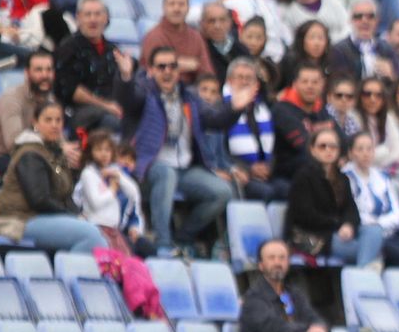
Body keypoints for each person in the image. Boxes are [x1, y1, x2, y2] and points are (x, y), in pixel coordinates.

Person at [123, 45, 238, 257]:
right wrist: (126, 76)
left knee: (223, 192)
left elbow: (215, 119)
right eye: (161, 67)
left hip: (184, 167)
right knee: (166, 174)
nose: (167, 71)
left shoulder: (189, 96)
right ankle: (163, 242)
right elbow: (129, 99)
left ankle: (184, 237)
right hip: (149, 168)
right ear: (152, 70)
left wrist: (235, 107)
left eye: (172, 66)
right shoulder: (145, 92)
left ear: (178, 70)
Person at [0, 100, 109, 251]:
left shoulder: (55, 154)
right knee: (90, 235)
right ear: (35, 122)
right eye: (48, 120)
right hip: (20, 219)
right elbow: (39, 200)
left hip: (43, 217)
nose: (54, 125)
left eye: (58, 120)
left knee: (99, 236)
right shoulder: (29, 153)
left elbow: (65, 197)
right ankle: (69, 273)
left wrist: (80, 215)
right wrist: (72, 216)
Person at [236, 239, 346, 332]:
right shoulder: (253, 299)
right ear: (261, 265)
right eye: (271, 258)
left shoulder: (294, 293)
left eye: (282, 258)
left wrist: (319, 329)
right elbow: (275, 328)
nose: (277, 262)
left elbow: (313, 317)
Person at [287, 126, 384, 267]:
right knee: (372, 251)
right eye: (322, 146)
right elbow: (305, 215)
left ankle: (361, 273)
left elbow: (352, 211)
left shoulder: (342, 178)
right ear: (313, 150)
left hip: (339, 234)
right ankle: (363, 274)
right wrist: (339, 225)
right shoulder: (303, 177)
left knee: (374, 230)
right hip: (313, 237)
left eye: (333, 146)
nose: (328, 150)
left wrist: (349, 225)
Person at [342, 131, 399, 267]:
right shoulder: (345, 177)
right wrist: (376, 227)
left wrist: (381, 224)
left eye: (369, 149)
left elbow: (397, 212)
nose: (365, 153)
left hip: (389, 232)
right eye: (360, 149)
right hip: (364, 236)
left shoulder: (381, 176)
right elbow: (353, 214)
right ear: (350, 153)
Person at [54, 0, 133, 135]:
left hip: (110, 107)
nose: (93, 19)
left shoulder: (113, 50)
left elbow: (123, 87)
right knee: (112, 122)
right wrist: (106, 106)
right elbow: (72, 91)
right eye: (88, 14)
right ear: (78, 18)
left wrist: (126, 74)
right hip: (78, 112)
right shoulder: (68, 48)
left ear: (106, 18)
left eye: (97, 14)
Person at [0, 49, 65, 171]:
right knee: (39, 168)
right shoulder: (11, 99)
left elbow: (58, 137)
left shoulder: (51, 100)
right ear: (27, 73)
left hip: (34, 156)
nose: (45, 75)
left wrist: (65, 150)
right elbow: (15, 143)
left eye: (49, 70)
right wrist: (57, 149)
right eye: (38, 70)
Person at [75, 127, 149, 254]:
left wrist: (119, 176)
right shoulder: (88, 174)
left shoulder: (114, 172)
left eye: (107, 150)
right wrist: (112, 190)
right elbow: (96, 202)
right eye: (99, 150)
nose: (104, 154)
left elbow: (134, 193)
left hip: (113, 229)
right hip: (96, 228)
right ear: (90, 152)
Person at [221, 57, 283, 199]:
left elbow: (275, 147)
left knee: (288, 189)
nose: (244, 82)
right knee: (266, 192)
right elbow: (220, 151)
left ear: (256, 84)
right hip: (238, 172)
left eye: (249, 78)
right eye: (240, 77)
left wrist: (268, 168)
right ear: (229, 81)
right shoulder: (221, 110)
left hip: (266, 171)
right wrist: (249, 169)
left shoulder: (264, 108)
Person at [272, 61, 334, 182]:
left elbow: (340, 139)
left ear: (322, 85)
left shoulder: (322, 110)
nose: (310, 86)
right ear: (295, 84)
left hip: (318, 167)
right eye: (305, 82)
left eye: (315, 82)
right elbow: (303, 145)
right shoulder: (282, 109)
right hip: (287, 173)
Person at [141, 0, 216, 86]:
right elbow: (156, 70)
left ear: (188, 8)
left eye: (181, 4)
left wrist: (195, 65)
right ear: (164, 7)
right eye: (172, 4)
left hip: (193, 95)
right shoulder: (153, 36)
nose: (176, 9)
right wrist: (189, 64)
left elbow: (207, 73)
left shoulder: (196, 36)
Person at [329, 0, 399, 83]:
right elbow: (339, 86)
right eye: (358, 16)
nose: (365, 21)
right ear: (350, 20)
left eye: (370, 16)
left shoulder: (387, 49)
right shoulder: (339, 50)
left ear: (377, 20)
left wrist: (392, 75)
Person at [356, 76, 399, 169]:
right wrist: (385, 151)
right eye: (367, 94)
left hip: (387, 171)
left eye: (378, 95)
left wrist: (380, 156)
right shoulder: (353, 118)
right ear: (359, 96)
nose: (372, 99)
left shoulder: (388, 118)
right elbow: (361, 156)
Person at [199, 2, 247, 85]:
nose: (217, 26)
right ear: (202, 23)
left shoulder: (241, 50)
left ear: (229, 22)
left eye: (222, 20)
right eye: (211, 21)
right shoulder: (198, 49)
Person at [282, 19, 336, 89]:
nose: (317, 43)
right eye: (312, 38)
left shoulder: (332, 62)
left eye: (320, 38)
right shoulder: (290, 62)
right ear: (302, 40)